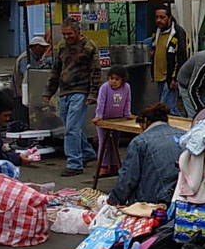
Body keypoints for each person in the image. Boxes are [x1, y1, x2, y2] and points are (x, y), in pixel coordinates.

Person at [43, 19, 100, 177]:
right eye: (64, 34)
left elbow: (96, 71)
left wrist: (93, 93)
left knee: (71, 129)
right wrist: (49, 91)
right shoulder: (62, 46)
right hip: (64, 91)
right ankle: (87, 153)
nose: (67, 37)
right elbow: (56, 69)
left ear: (78, 32)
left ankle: (74, 163)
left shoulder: (88, 46)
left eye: (70, 34)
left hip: (80, 90)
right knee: (71, 126)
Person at [107, 103, 183, 206]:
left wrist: (114, 199)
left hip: (152, 200)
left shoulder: (141, 141)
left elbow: (128, 178)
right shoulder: (184, 135)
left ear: (145, 121)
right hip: (184, 197)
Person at [92, 65, 132, 176]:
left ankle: (114, 165)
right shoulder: (105, 88)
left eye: (117, 79)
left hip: (118, 120)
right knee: (104, 143)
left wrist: (127, 113)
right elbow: (101, 102)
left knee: (114, 143)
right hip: (104, 119)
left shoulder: (126, 87)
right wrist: (99, 116)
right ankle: (103, 166)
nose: (113, 81)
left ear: (122, 80)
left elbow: (127, 101)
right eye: (111, 78)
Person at [150, 4, 187, 116]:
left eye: (162, 17)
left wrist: (175, 78)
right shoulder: (157, 31)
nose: (159, 20)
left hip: (169, 77)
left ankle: (180, 125)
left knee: (168, 109)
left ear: (169, 18)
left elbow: (181, 56)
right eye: (157, 17)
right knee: (166, 108)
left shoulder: (178, 33)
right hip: (159, 76)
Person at [11, 35, 51, 124]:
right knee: (23, 118)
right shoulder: (25, 58)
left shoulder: (36, 58)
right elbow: (28, 76)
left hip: (28, 94)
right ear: (36, 47)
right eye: (43, 47)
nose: (44, 50)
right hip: (21, 94)